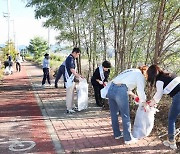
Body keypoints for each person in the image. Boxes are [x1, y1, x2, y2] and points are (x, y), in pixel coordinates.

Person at [106, 66, 148, 144]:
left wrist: (134, 96)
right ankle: (128, 139)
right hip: (120, 91)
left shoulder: (130, 71)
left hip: (111, 88)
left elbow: (126, 87)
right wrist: (144, 102)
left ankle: (117, 134)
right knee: (125, 115)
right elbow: (140, 91)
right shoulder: (140, 75)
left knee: (114, 114)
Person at [146, 64, 180, 150]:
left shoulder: (159, 80)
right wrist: (154, 101)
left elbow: (158, 94)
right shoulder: (169, 74)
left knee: (171, 119)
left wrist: (151, 103)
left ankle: (171, 142)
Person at [64, 47, 82, 114]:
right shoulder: (70, 59)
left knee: (72, 94)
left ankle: (72, 106)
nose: (77, 56)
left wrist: (78, 76)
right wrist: (78, 76)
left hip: (71, 79)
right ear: (74, 53)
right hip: (69, 79)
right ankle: (69, 108)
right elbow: (72, 70)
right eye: (77, 54)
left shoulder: (71, 58)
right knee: (69, 94)